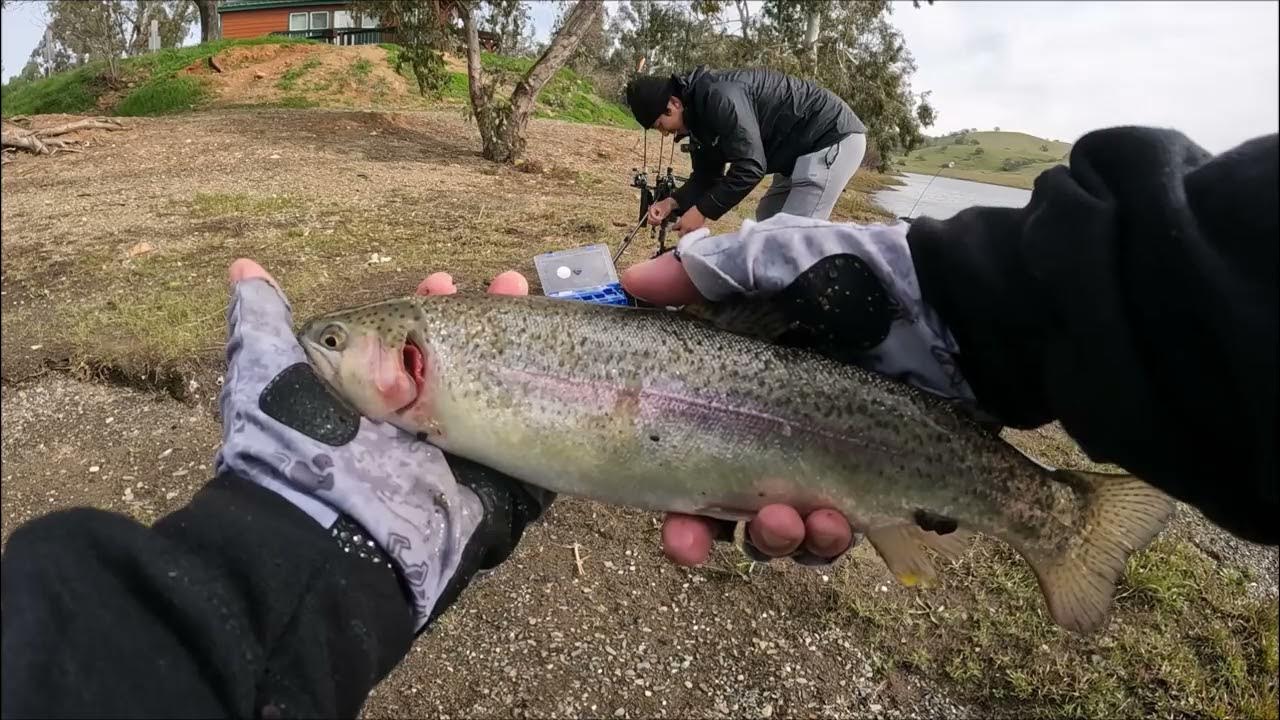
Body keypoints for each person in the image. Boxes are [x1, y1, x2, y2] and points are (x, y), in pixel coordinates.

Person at [2, 124, 1274, 717]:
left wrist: (968, 304)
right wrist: (974, 308)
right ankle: (1035, 515)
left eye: (335, 348)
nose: (325, 358)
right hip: (840, 416)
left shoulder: (429, 364)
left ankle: (1053, 522)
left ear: (399, 356)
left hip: (834, 419)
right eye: (329, 349)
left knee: (799, 506)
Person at [624, 65, 867, 236]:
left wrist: (702, 211)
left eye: (660, 125)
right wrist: (672, 202)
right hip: (795, 153)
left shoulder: (720, 98)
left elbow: (750, 167)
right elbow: (706, 177)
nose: (664, 134)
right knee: (769, 215)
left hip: (830, 137)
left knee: (792, 236)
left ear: (673, 105)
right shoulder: (696, 117)